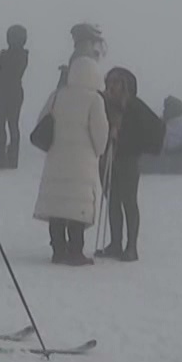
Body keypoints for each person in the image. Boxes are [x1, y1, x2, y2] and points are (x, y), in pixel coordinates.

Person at [34, 52, 110, 265]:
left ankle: (58, 250)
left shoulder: (57, 95)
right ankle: (75, 251)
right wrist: (98, 151)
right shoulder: (94, 100)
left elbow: (42, 121)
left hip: (56, 160)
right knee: (78, 206)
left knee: (57, 206)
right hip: (82, 164)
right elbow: (101, 135)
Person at [98, 67, 165, 261]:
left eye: (116, 83)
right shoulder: (104, 103)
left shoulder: (134, 106)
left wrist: (130, 143)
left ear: (125, 85)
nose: (112, 86)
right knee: (112, 200)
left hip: (127, 158)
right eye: (109, 82)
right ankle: (115, 243)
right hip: (108, 157)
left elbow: (152, 127)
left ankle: (131, 247)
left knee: (128, 202)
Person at [0, 24, 30, 170]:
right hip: (15, 93)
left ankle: (2, 154)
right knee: (13, 124)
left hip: (5, 93)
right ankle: (12, 156)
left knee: (1, 124)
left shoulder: (8, 56)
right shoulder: (23, 55)